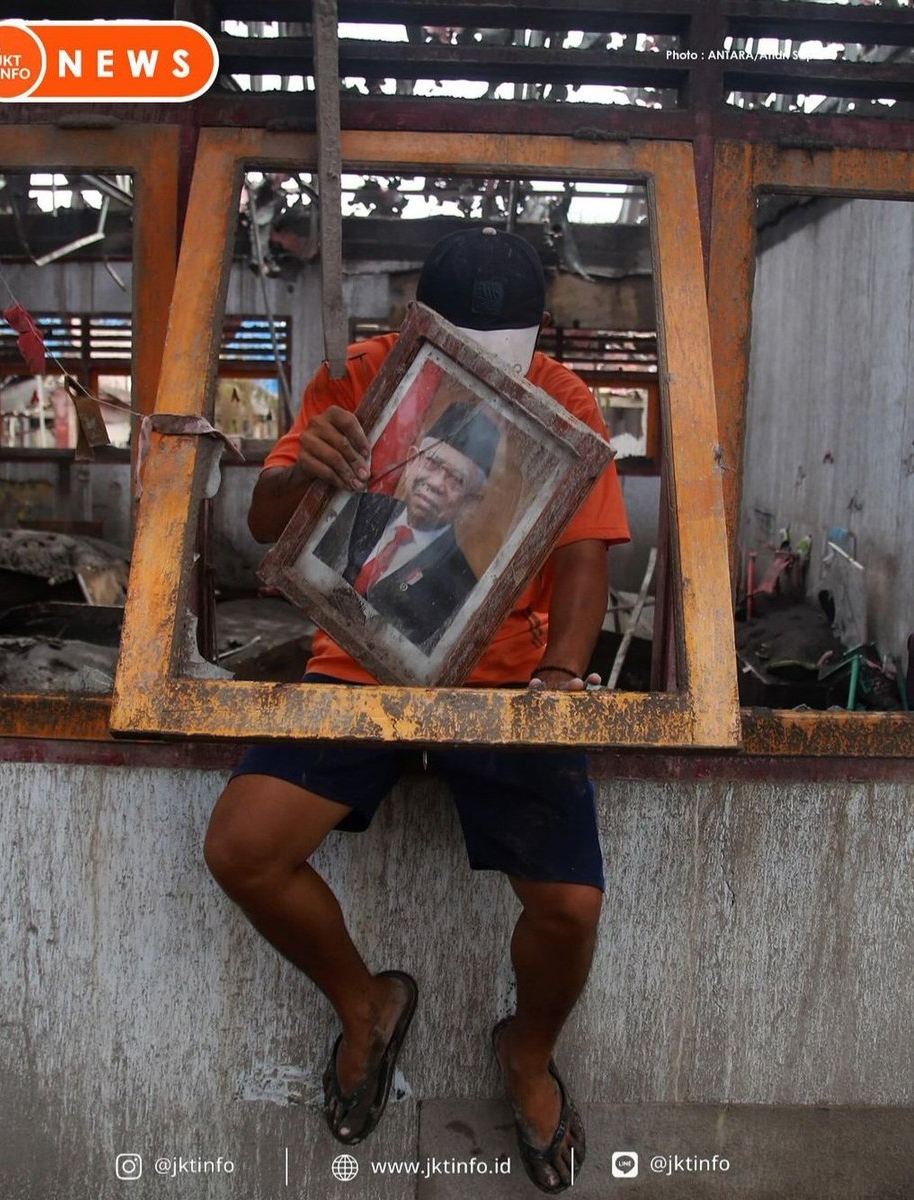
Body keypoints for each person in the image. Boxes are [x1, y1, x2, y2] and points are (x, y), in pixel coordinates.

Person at [204, 227, 630, 1194]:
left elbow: (583, 555)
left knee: (568, 905)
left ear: (538, 339)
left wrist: (559, 680)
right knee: (243, 848)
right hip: (356, 661)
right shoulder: (357, 378)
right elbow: (269, 528)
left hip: (504, 678)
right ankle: (367, 1006)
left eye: (504, 356)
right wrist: (296, 470)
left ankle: (525, 1051)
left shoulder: (562, 401)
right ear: (416, 328)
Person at [313, 400, 500, 652]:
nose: (435, 483)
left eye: (456, 479)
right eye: (432, 463)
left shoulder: (460, 585)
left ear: (471, 501)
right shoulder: (359, 508)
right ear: (412, 460)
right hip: (327, 655)